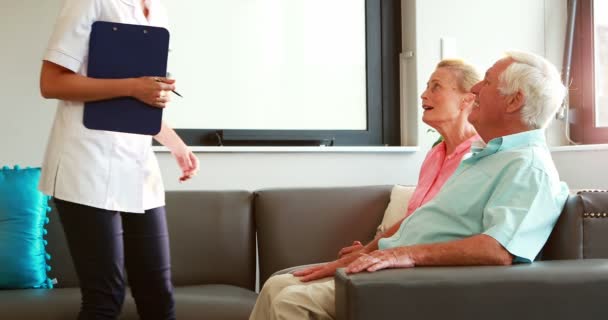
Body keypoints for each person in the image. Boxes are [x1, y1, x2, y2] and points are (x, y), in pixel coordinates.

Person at [249, 50, 569, 320]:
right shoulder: (486, 157)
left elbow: (499, 250)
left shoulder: (529, 167)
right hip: (399, 271)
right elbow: (423, 219)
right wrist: (364, 255)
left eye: (486, 81)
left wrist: (402, 254)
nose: (476, 91)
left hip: (424, 283)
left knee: (291, 302)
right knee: (277, 287)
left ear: (514, 101)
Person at [38, 1, 196, 319]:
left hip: (138, 168)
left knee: (158, 295)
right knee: (105, 298)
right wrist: (134, 87)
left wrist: (175, 143)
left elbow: (141, 93)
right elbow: (51, 82)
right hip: (85, 162)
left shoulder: (158, 9)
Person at [299, 59, 482, 282]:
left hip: (423, 269)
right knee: (279, 284)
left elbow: (449, 231)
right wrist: (370, 249)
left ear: (468, 99)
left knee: (288, 295)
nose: (424, 95)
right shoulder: (435, 155)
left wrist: (371, 252)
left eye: (436, 86)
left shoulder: (479, 159)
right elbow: (415, 221)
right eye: (426, 86)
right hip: (395, 258)